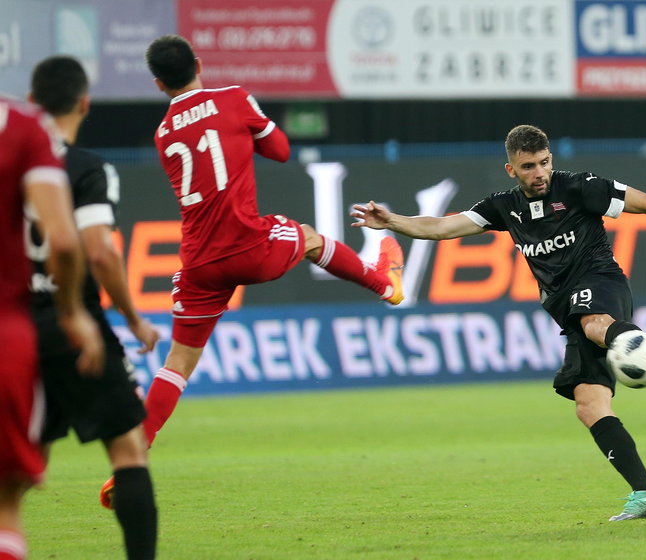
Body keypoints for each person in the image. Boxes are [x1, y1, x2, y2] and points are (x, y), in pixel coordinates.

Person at [351, 124, 646, 521]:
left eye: (544, 163)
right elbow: (440, 227)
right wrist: (393, 222)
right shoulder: (502, 207)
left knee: (595, 323)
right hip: (568, 311)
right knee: (589, 404)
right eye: (528, 166)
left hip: (601, 283)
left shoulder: (580, 187)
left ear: (551, 160)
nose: (539, 172)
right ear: (512, 170)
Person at [99, 34, 405, 504]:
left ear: (159, 84)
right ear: (199, 63)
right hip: (247, 243)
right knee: (309, 238)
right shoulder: (233, 99)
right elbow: (280, 150)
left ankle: (130, 462)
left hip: (199, 261)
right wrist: (251, 130)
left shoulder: (163, 134)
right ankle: (385, 285)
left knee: (178, 364)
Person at [28, 56, 158, 558]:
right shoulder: (86, 169)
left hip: (14, 327)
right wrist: (132, 318)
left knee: (19, 467)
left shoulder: (9, 162)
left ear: (33, 102)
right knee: (128, 452)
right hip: (73, 323)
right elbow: (99, 251)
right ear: (85, 103)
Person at [0, 95, 103, 560]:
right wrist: (70, 311)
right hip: (7, 332)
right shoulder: (23, 125)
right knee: (5, 507)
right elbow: (63, 240)